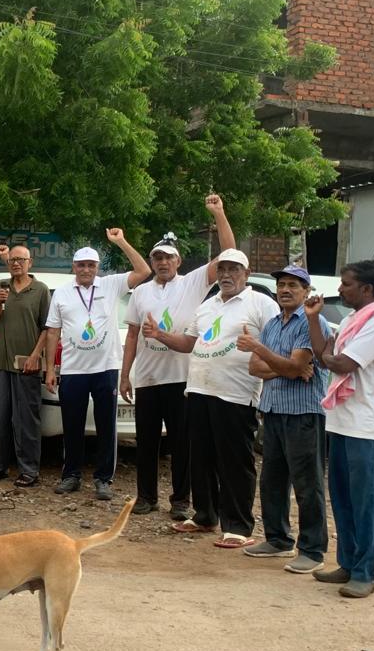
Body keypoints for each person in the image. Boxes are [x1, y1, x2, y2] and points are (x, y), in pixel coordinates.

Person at [142, 248, 279, 548]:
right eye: (222, 269)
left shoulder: (261, 304)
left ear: (246, 273)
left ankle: (238, 526)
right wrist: (159, 334)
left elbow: (277, 341)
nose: (226, 275)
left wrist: (261, 355)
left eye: (234, 269)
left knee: (234, 461)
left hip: (236, 394)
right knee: (200, 458)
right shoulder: (207, 306)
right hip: (199, 391)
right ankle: (205, 515)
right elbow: (189, 343)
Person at [307, 259, 374, 599]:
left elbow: (342, 363)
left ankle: (365, 572)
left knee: (366, 502)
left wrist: (329, 355)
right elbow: (322, 355)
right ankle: (349, 563)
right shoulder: (354, 319)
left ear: (367, 289)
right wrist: (313, 320)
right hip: (345, 421)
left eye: (347, 284)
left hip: (370, 426)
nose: (340, 289)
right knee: (343, 498)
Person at [121, 194, 236, 519]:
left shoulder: (193, 282)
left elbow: (229, 253)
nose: (162, 263)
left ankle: (181, 500)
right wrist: (125, 374)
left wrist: (218, 214)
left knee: (182, 444)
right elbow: (132, 335)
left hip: (182, 378)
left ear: (178, 261)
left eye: (168, 258)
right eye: (157, 258)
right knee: (146, 443)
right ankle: (146, 497)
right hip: (147, 377)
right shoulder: (141, 292)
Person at [236, 265, 329, 575]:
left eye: (293, 285)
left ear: (306, 291)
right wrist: (287, 368)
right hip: (274, 410)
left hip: (303, 413)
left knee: (307, 484)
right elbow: (255, 368)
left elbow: (291, 365)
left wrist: (264, 352)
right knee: (272, 481)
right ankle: (277, 540)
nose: (285, 290)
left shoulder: (312, 323)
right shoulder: (273, 324)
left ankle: (312, 550)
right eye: (281, 285)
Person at [44, 230, 150, 500]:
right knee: (72, 426)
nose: (86, 270)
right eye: (81, 265)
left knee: (106, 426)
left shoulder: (111, 284)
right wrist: (50, 369)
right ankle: (71, 475)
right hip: (73, 369)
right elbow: (53, 332)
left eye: (91, 265)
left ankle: (103, 479)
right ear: (74, 267)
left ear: (97, 267)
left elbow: (143, 270)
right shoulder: (63, 293)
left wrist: (121, 241)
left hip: (105, 368)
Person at [0, 244, 49, 487]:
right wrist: (0, 304)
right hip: (0, 361)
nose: (16, 263)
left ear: (30, 262)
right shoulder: (1, 286)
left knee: (26, 419)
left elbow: (47, 327)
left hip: (26, 363)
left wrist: (35, 356)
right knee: (0, 417)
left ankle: (29, 470)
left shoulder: (40, 290)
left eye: (21, 259)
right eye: (12, 260)